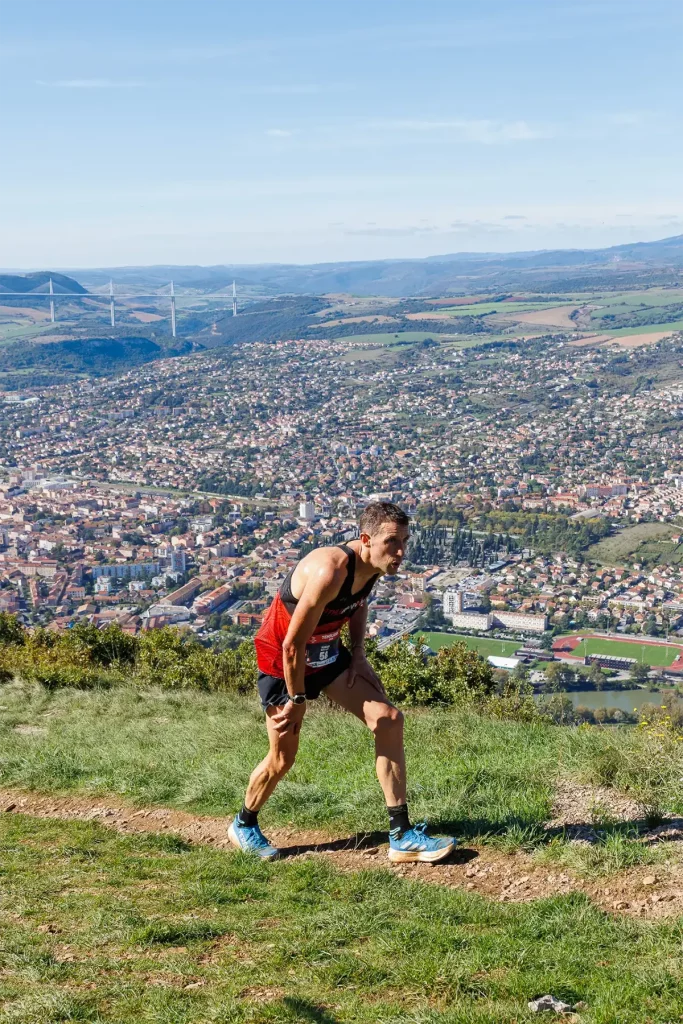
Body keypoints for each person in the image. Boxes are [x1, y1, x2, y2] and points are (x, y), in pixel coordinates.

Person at [228, 501, 456, 864]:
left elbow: (358, 601)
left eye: (405, 542)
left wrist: (359, 654)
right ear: (365, 539)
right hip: (283, 663)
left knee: (389, 719)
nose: (400, 552)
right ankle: (243, 823)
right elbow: (291, 644)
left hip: (327, 655)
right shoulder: (328, 570)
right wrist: (297, 696)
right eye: (392, 543)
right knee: (283, 757)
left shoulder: (374, 565)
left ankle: (402, 836)